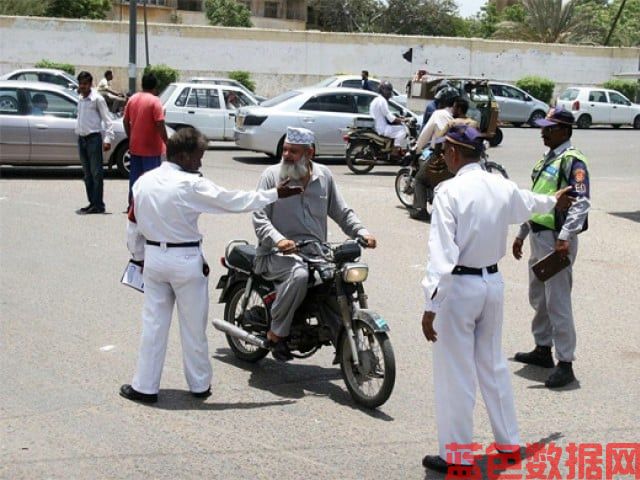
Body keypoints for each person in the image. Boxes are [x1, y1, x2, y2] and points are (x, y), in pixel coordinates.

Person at [420, 124, 574, 474]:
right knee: (492, 365)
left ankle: (456, 454)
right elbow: (531, 204)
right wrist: (555, 200)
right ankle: (509, 444)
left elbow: (442, 256)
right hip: (492, 283)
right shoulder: (501, 186)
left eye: (445, 151)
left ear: (455, 153)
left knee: (455, 372)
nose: (444, 157)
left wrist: (430, 304)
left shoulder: (450, 191)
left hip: (458, 289)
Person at [120, 127, 303, 404]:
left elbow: (133, 224)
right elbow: (233, 201)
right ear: (182, 155)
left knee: (153, 326)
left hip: (154, 259)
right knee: (193, 327)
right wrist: (274, 194)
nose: (200, 162)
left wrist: (138, 258)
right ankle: (199, 385)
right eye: (198, 156)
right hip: (185, 261)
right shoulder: (191, 185)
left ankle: (144, 387)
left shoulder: (143, 181)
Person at [253, 127, 377, 361]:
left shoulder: (324, 176)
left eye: (294, 151)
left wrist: (362, 232)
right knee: (299, 274)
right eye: (285, 150)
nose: (287, 155)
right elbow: (259, 217)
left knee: (338, 278)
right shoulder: (271, 176)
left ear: (309, 153)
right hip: (274, 254)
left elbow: (341, 211)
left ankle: (342, 335)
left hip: (316, 253)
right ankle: (276, 333)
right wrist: (279, 240)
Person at [512, 107, 590, 389]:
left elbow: (581, 202)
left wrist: (566, 236)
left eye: (550, 128)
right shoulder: (548, 159)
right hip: (538, 234)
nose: (543, 132)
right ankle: (542, 349)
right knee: (539, 297)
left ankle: (565, 362)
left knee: (557, 300)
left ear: (565, 131)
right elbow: (536, 198)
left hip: (557, 239)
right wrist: (522, 232)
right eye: (543, 127)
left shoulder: (573, 161)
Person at [410, 87, 460, 220]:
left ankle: (420, 209)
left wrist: (417, 148)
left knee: (420, 179)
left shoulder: (439, 114)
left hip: (442, 157)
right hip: (460, 159)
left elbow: (424, 136)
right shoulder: (460, 116)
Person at [123, 72, 169, 209]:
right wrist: (167, 142)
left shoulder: (133, 99)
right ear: (155, 86)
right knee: (151, 180)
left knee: (135, 179)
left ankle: (132, 204)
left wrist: (131, 136)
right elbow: (160, 124)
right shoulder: (155, 102)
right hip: (152, 149)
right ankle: (148, 207)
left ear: (142, 84)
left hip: (135, 146)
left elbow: (125, 121)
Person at [75, 71, 114, 215]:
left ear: (90, 84)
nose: (83, 86)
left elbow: (108, 120)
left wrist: (108, 139)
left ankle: (98, 204)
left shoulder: (97, 99)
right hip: (82, 139)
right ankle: (92, 202)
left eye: (85, 84)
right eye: (81, 84)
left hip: (93, 139)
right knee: (87, 174)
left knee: (96, 173)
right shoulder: (80, 98)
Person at [369, 81, 407, 150]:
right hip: (382, 128)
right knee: (403, 130)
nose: (390, 93)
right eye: (388, 90)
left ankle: (390, 148)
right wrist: (402, 120)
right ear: (383, 90)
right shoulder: (382, 101)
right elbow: (390, 118)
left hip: (377, 126)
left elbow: (386, 113)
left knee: (397, 128)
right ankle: (395, 150)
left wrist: (398, 118)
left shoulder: (376, 99)